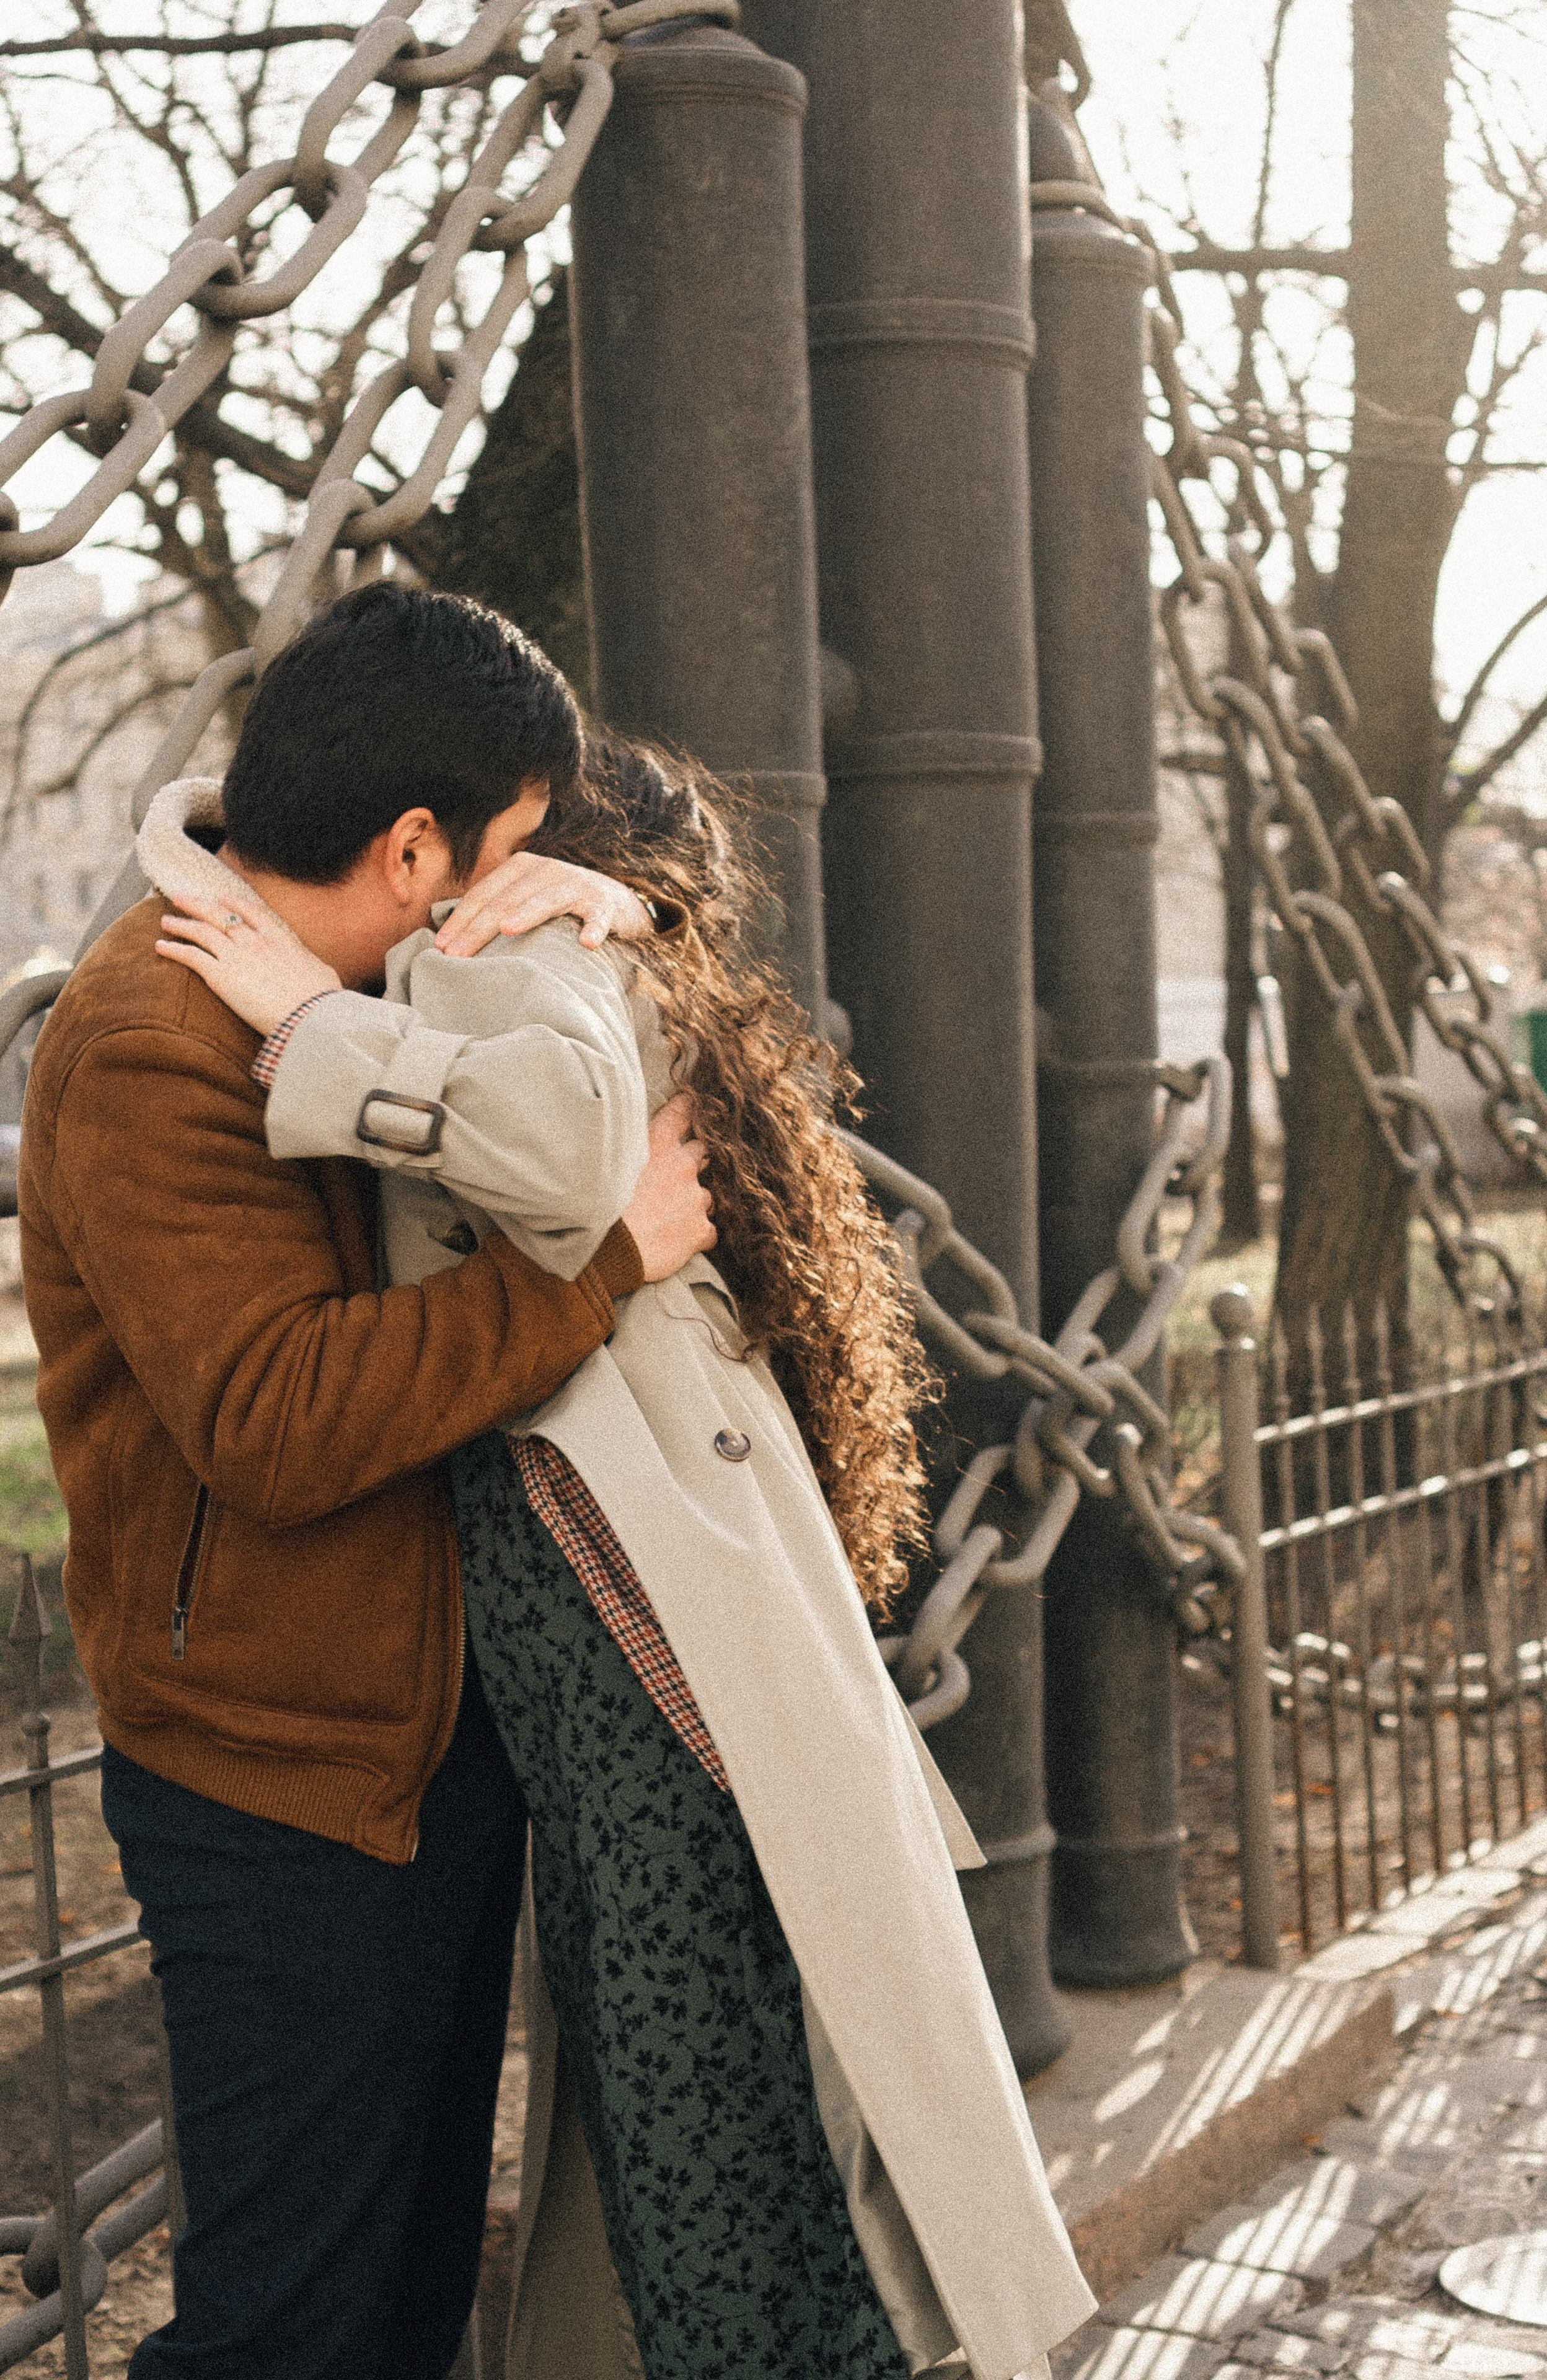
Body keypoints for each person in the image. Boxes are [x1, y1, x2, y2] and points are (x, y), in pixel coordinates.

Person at [145, 726, 1098, 2380]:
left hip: (652, 1698)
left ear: (528, 861)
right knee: (738, 2178)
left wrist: (309, 1009)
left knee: (720, 2187)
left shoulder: (526, 968)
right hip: (646, 1694)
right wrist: (618, 907)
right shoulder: (566, 963)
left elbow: (550, 1152)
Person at [19, 586, 715, 2380]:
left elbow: (631, 975)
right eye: (512, 842)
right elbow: (277, 1415)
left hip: (421, 1741)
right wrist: (598, 1272)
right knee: (289, 2328)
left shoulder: (370, 974)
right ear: (411, 847)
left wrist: (618, 909)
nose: (524, 875)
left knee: (406, 2300)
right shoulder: (152, 1039)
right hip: (277, 1776)